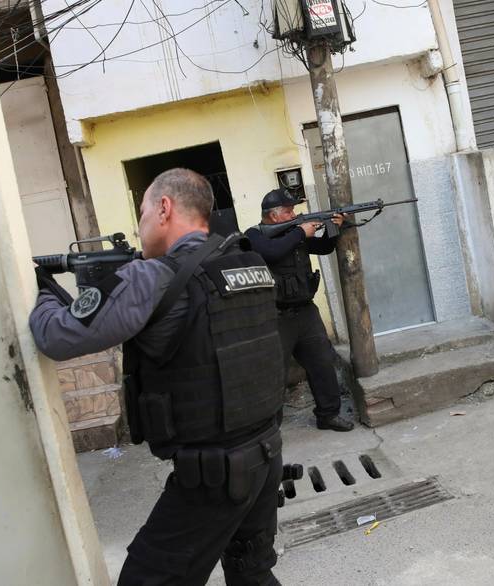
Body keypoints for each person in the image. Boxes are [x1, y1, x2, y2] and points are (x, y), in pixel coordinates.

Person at [29, 168, 286, 585]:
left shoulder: (153, 278)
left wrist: (40, 289)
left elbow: (55, 335)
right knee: (251, 574)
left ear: (164, 208)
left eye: (143, 211)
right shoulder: (247, 262)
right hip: (265, 455)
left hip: (214, 476)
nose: (140, 224)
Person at [245, 188, 354, 432]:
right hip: (275, 316)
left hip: (305, 311)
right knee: (274, 374)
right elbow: (272, 252)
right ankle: (268, 430)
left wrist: (334, 227)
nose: (294, 214)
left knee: (323, 363)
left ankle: (328, 415)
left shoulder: (294, 234)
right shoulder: (254, 235)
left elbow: (324, 247)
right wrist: (299, 232)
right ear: (273, 217)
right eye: (288, 211)